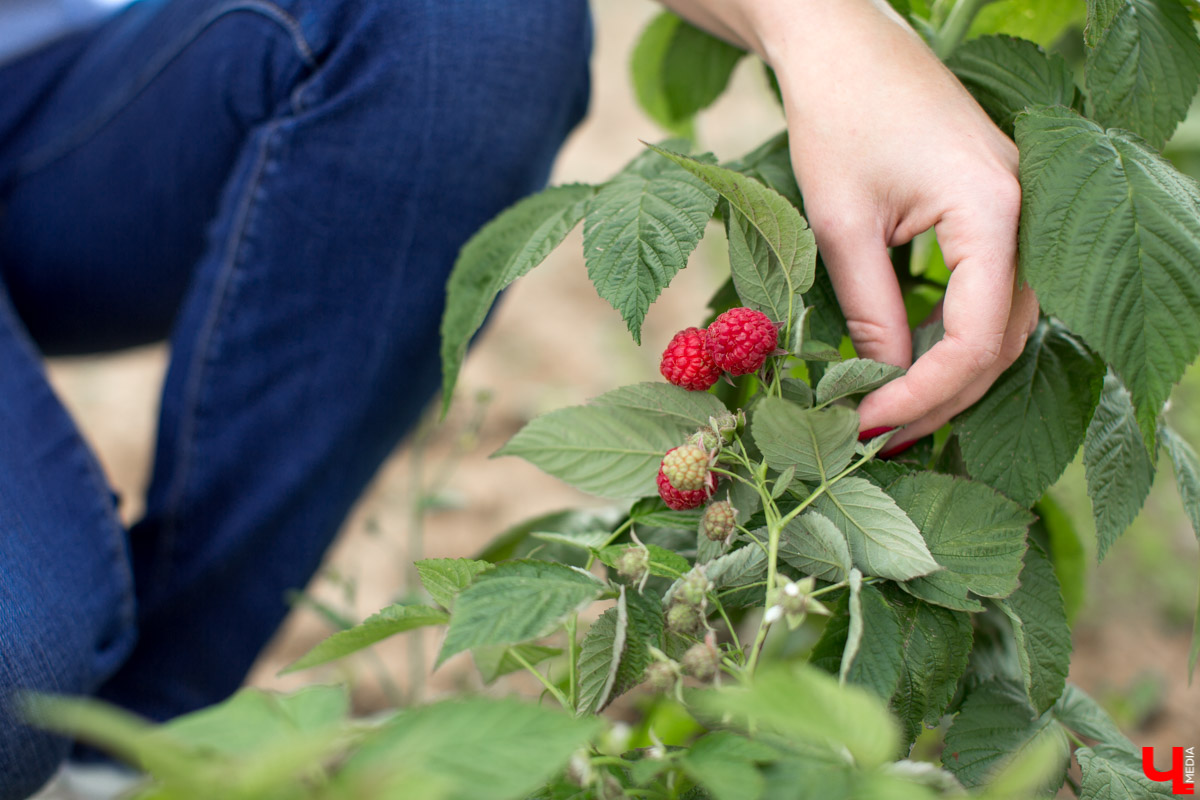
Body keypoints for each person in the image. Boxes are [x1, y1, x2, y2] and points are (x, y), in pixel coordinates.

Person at [0, 0, 1034, 797]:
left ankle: (141, 732)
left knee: (472, 27)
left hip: (60, 99)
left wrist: (829, 34)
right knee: (17, 679)